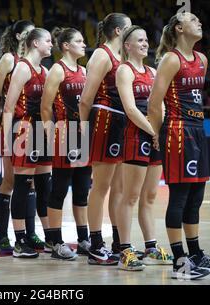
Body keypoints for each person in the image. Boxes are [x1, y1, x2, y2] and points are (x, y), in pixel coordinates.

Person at [148, 12, 210, 280]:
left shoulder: (202, 60)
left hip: (198, 129)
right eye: (193, 20)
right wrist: (157, 132)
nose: (200, 23)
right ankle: (179, 262)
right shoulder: (171, 59)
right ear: (179, 28)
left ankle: (195, 254)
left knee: (196, 198)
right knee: (180, 198)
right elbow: (154, 101)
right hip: (178, 130)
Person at [115, 25, 173, 271]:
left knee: (150, 197)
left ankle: (151, 247)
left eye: (146, 39)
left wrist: (160, 130)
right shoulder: (124, 70)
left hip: (154, 136)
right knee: (130, 196)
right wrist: (152, 131)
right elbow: (130, 108)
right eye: (139, 40)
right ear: (127, 45)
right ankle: (125, 250)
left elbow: (161, 105)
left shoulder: (152, 71)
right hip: (136, 135)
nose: (145, 43)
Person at [78, 12, 132, 265]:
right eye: (129, 28)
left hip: (121, 120)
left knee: (120, 188)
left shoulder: (123, 57)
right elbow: (86, 97)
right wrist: (84, 128)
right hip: (104, 118)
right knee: (101, 187)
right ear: (119, 31)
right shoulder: (102, 54)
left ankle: (120, 242)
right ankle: (96, 244)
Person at [0, 20, 45, 254]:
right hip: (12, 126)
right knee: (11, 181)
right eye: (30, 31)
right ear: (21, 36)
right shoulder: (9, 60)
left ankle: (29, 233)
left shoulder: (38, 65)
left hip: (33, 128)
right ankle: (3, 236)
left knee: (29, 181)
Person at [3, 27, 53, 258]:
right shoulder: (22, 67)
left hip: (41, 130)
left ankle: (51, 237)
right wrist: (5, 141)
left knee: (45, 185)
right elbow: (8, 107)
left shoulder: (44, 70)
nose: (51, 45)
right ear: (35, 43)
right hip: (24, 129)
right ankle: (19, 240)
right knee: (22, 185)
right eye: (48, 41)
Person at [40, 27, 89, 260]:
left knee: (82, 190)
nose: (84, 44)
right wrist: (50, 133)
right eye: (79, 41)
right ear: (66, 45)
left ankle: (84, 239)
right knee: (59, 189)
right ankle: (56, 241)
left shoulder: (84, 70)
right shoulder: (58, 70)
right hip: (64, 133)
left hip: (83, 135)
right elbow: (45, 105)